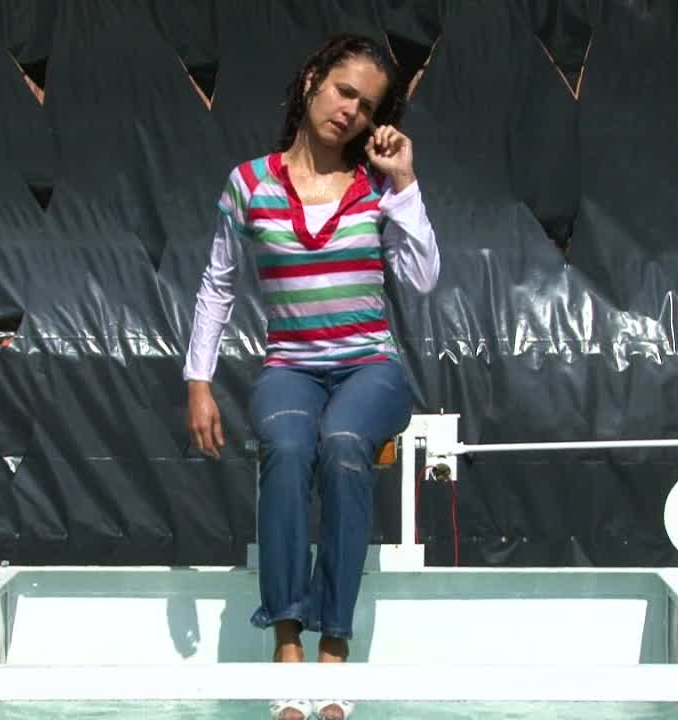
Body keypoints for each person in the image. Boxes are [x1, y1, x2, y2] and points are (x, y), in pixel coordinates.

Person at [183, 33, 440, 720]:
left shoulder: (375, 187)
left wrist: (405, 183)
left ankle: (335, 648)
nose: (351, 111)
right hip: (291, 366)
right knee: (289, 444)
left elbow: (421, 279)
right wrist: (199, 382)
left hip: (370, 368)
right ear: (310, 84)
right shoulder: (248, 184)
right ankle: (288, 646)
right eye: (343, 91)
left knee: (344, 444)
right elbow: (217, 285)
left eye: (367, 106)